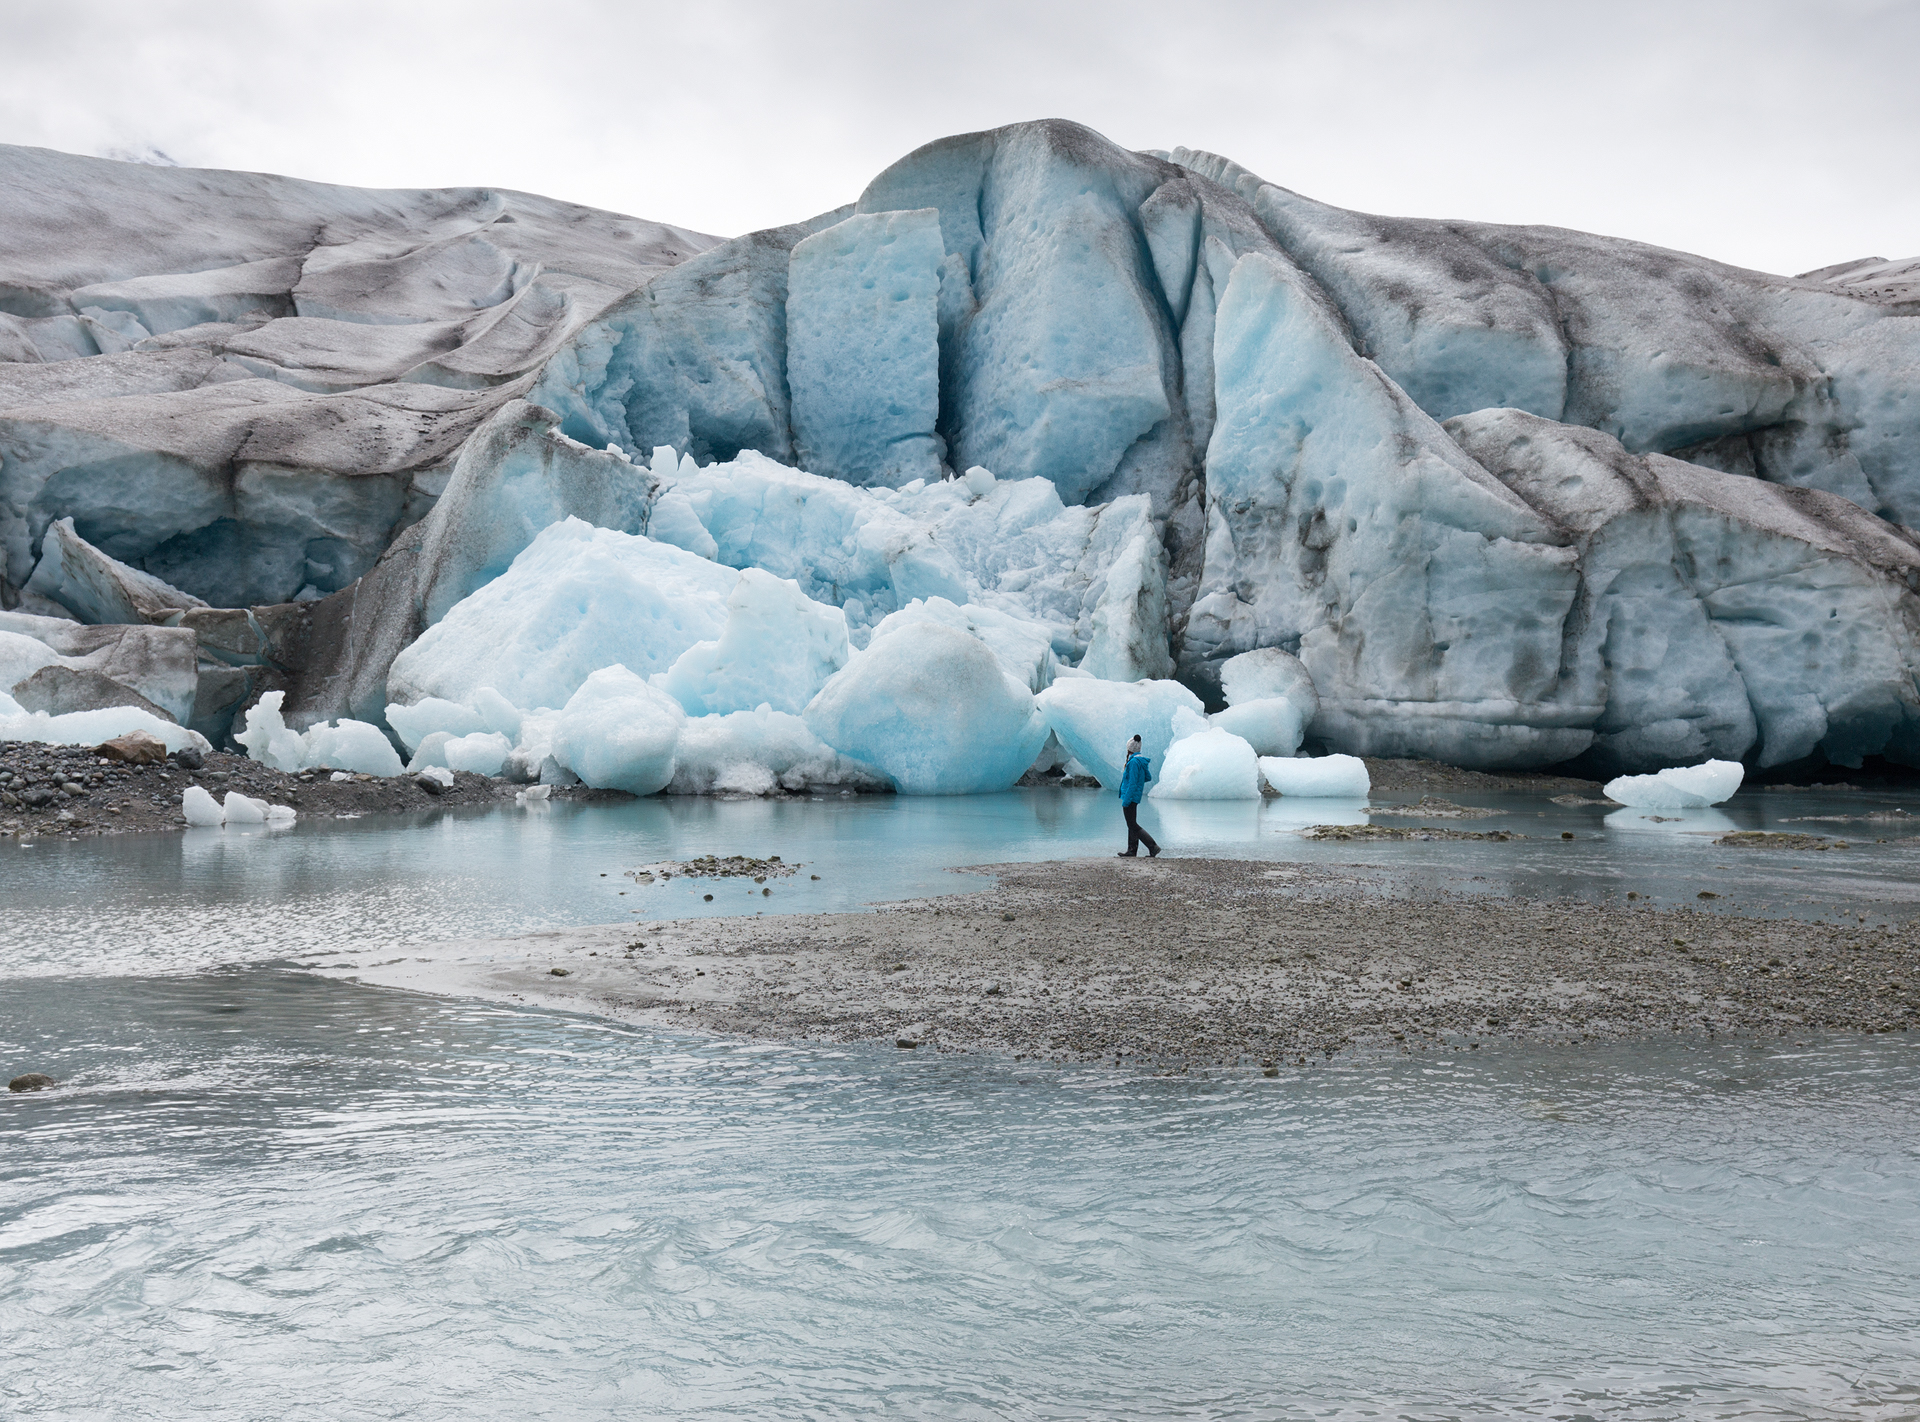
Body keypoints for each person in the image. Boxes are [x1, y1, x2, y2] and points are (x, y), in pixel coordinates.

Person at [1115, 734, 1160, 858]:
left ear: (1130, 749)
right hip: (1135, 796)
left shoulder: (1134, 762)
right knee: (1132, 823)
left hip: (1130, 796)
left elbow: (1133, 782)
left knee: (1132, 824)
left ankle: (1152, 846)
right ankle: (1132, 850)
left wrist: (1127, 799)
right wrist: (1139, 783)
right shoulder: (1141, 761)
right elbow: (1147, 777)